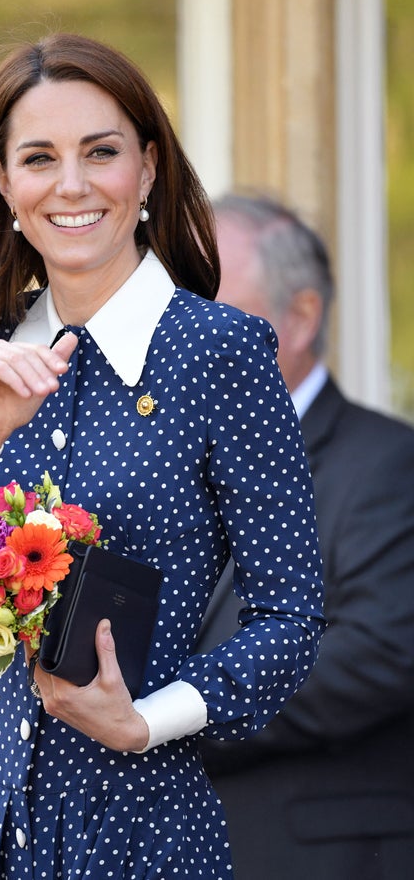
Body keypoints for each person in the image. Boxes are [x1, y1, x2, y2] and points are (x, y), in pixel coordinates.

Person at [0, 35, 324, 880]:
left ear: (148, 169)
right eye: (40, 158)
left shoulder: (219, 353)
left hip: (138, 830)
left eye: (102, 152)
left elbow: (290, 617)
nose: (72, 185)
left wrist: (147, 720)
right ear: (6, 183)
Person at [197, 193, 414, 879]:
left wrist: (178, 713)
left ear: (302, 317)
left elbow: (380, 652)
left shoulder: (387, 464)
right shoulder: (169, 466)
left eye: (211, 306)